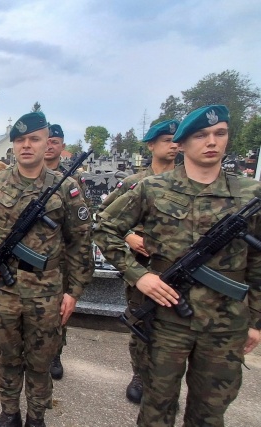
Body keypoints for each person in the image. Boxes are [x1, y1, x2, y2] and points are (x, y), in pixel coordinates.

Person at [94, 105, 261, 427]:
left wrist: (255, 320)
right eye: (201, 135)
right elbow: (105, 228)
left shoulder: (250, 194)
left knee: (210, 412)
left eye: (220, 133)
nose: (211, 141)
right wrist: (139, 276)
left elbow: (257, 262)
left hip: (226, 323)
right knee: (156, 407)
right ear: (181, 144)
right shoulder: (153, 188)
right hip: (166, 319)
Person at [0, 112, 93, 427]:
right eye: (20, 140)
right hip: (3, 290)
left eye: (34, 139)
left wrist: (74, 292)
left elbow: (80, 243)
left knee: (40, 362)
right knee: (7, 356)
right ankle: (10, 413)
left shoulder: (66, 187)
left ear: (47, 143)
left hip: (47, 293)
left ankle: (36, 417)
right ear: (13, 145)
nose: (27, 145)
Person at [97, 119, 180, 404]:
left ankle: (167, 383)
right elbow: (104, 215)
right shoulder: (135, 183)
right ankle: (140, 374)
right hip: (142, 266)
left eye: (176, 140)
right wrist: (129, 236)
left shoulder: (187, 181)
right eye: (167, 140)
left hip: (179, 267)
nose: (173, 145)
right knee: (141, 320)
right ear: (151, 145)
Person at [42, 123, 90, 380]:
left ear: (62, 146)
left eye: (55, 141)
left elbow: (80, 224)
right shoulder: (27, 174)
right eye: (47, 140)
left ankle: (55, 352)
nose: (49, 145)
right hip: (31, 255)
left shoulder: (73, 179)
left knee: (58, 310)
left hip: (59, 258)